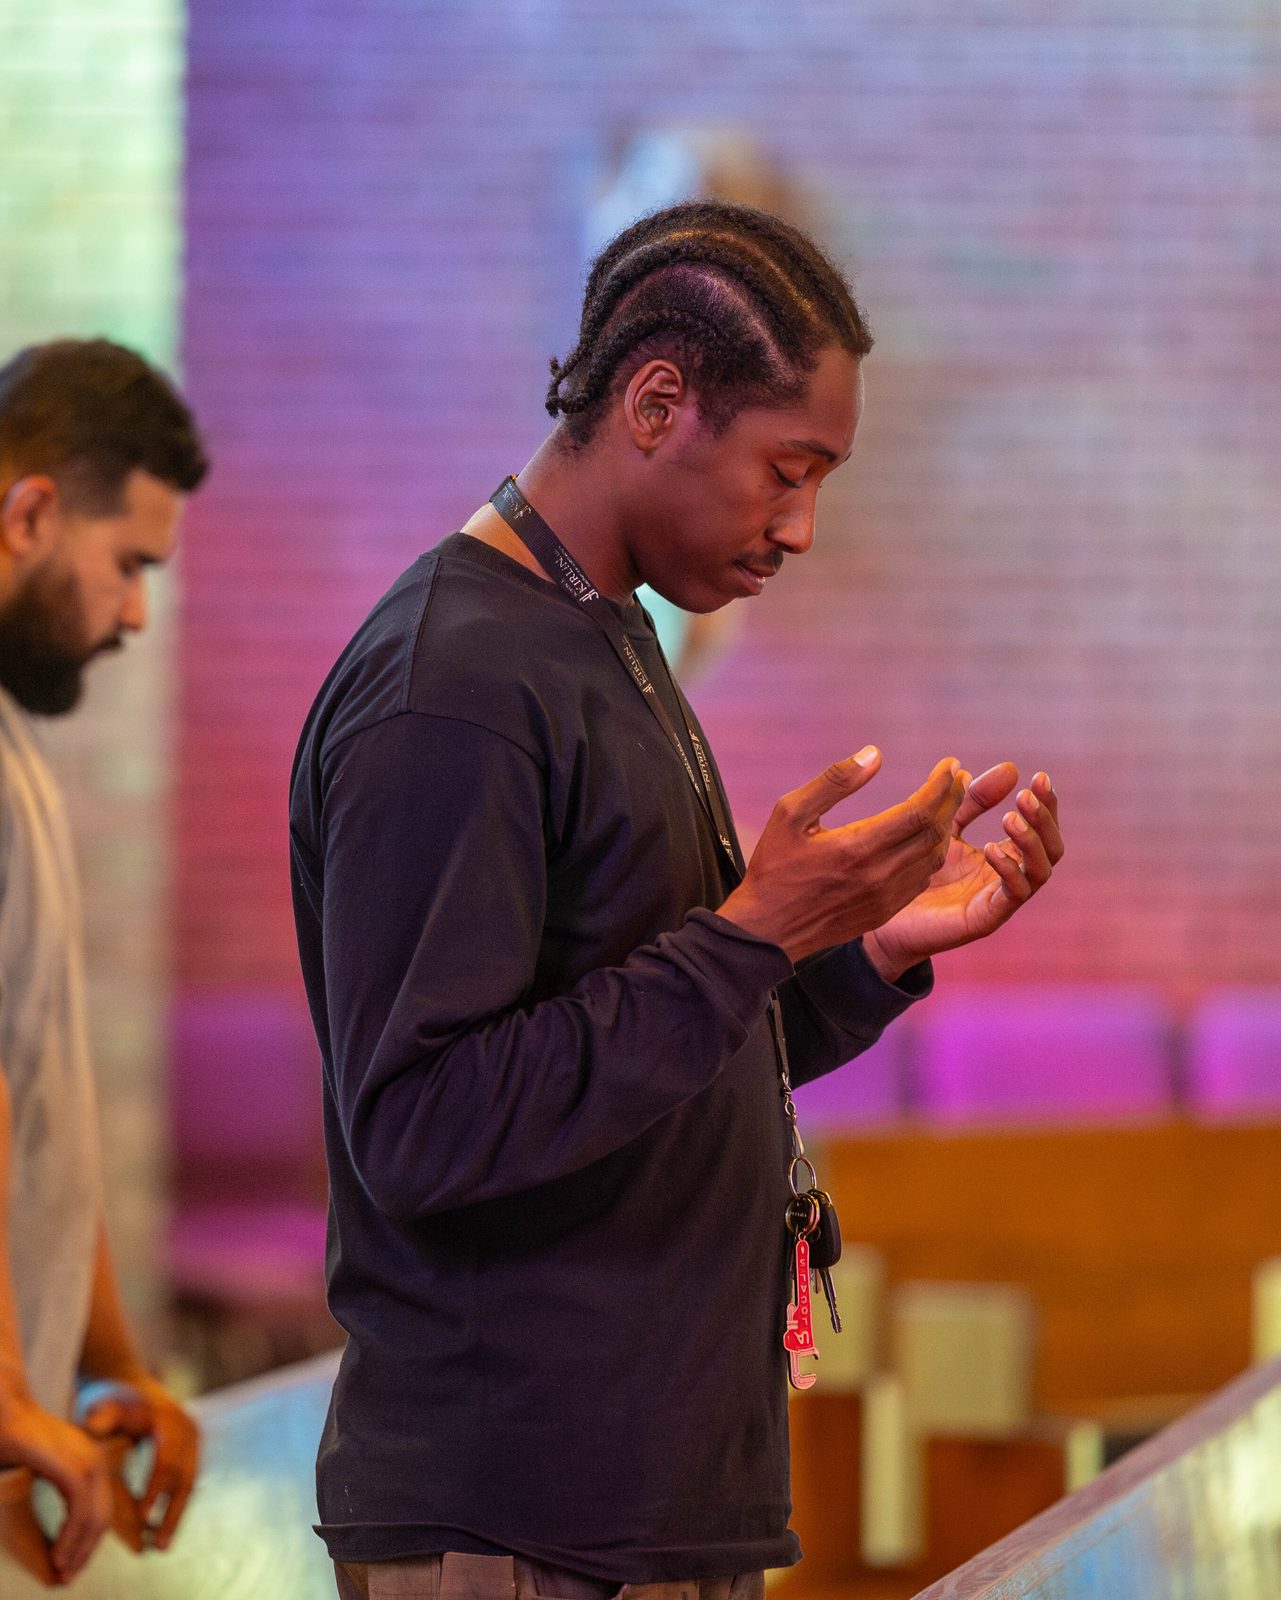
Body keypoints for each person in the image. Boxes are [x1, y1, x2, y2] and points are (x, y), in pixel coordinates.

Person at [290, 201, 1063, 1600]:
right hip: (517, 1520)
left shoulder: (604, 644)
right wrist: (755, 933)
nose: (803, 527)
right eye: (788, 469)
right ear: (658, 403)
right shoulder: (453, 685)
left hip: (643, 1508)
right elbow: (419, 1124)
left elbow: (650, 1055)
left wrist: (857, 949)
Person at [0, 338, 209, 1582]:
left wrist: (106, 1360)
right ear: (29, 512)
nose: (137, 611)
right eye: (128, 563)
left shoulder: (18, 749)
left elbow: (43, 1112)